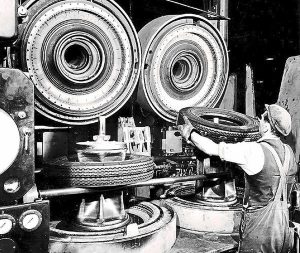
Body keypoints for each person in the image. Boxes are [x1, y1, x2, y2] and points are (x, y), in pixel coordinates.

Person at [178, 104, 298, 252]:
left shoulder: (254, 150)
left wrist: (189, 133)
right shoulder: (290, 154)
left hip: (259, 230)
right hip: (282, 228)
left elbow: (210, 148)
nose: (258, 121)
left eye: (261, 119)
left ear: (266, 127)